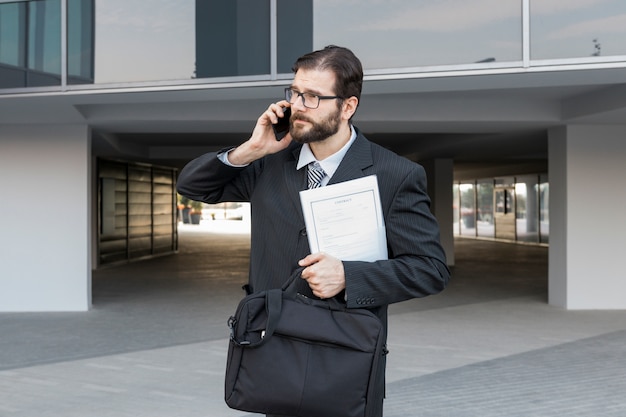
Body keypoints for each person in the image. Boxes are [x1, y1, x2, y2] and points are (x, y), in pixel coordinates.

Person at [177, 45, 450, 417]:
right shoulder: (268, 163)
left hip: (345, 360)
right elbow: (194, 186)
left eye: (313, 97)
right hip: (272, 349)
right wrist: (250, 149)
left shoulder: (395, 175)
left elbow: (430, 269)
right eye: (294, 92)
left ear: (348, 106)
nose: (298, 105)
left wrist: (349, 276)